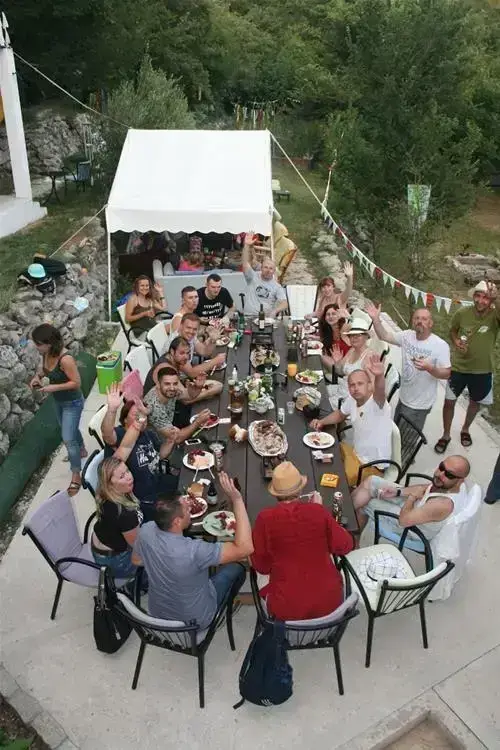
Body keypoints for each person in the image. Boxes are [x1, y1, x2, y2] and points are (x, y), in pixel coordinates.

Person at [132, 473, 252, 627]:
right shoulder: (195, 551)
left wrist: (162, 563)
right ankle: (223, 611)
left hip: (158, 614)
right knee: (237, 568)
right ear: (177, 522)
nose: (190, 507)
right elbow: (245, 548)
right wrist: (237, 499)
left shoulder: (145, 530)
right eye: (187, 509)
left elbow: (136, 560)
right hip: (195, 622)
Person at [251, 462, 354, 620]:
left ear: (274, 493)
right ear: (300, 490)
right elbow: (346, 545)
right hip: (331, 608)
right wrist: (320, 511)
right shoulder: (318, 511)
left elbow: (262, 567)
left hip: (286, 616)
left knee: (257, 567)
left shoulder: (265, 518)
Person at [435, 280, 500, 452]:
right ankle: (446, 435)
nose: (480, 301)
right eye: (478, 296)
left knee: (475, 402)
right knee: (449, 402)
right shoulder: (462, 313)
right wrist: (456, 341)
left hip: (483, 370)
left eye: (486, 297)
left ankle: (465, 429)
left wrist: (497, 299)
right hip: (459, 368)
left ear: (491, 300)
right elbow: (453, 330)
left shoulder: (495, 316)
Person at [365, 304, 451, 432]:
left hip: (419, 405)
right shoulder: (407, 336)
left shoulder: (440, 345)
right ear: (413, 321)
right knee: (397, 433)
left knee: (406, 439)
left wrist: (429, 368)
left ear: (431, 323)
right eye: (417, 318)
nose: (420, 321)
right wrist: (376, 319)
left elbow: (447, 373)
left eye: (424, 319)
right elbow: (384, 336)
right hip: (404, 398)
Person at [101, 384, 179, 521]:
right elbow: (107, 435)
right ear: (125, 419)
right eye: (136, 415)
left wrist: (170, 441)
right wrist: (112, 410)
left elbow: (159, 456)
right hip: (145, 499)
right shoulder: (120, 436)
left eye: (142, 415)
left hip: (159, 482)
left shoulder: (148, 433)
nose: (141, 419)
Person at [310, 360, 393, 487]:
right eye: (352, 385)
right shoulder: (353, 400)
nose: (356, 388)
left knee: (336, 482)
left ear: (369, 385)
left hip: (371, 466)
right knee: (324, 452)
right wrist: (321, 422)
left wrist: (379, 376)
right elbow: (340, 414)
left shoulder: (377, 404)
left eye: (360, 384)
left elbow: (380, 392)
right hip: (355, 454)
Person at [352, 455, 470, 536]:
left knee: (368, 502)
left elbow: (404, 521)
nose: (440, 474)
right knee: (372, 481)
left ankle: (351, 540)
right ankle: (345, 512)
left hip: (413, 528)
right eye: (441, 467)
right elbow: (425, 488)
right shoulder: (448, 485)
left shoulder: (443, 504)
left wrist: (412, 497)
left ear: (460, 480)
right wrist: (398, 492)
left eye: (449, 474)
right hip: (416, 508)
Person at [30, 324, 86, 496]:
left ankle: (76, 474)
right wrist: (37, 377)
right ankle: (82, 450)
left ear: (48, 343)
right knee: (70, 429)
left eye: (38, 344)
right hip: (59, 401)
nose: (36, 347)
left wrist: (53, 388)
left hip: (73, 402)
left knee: (68, 438)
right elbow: (43, 370)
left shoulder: (65, 359)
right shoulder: (46, 353)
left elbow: (76, 383)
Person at [91, 457, 142, 578]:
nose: (129, 477)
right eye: (122, 476)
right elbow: (138, 547)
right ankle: (132, 583)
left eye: (127, 471)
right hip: (115, 560)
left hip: (103, 543)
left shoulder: (106, 493)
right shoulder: (125, 514)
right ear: (110, 485)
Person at [143, 337, 222, 404]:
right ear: (172, 351)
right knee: (217, 387)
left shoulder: (171, 358)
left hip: (170, 399)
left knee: (216, 385)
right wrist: (206, 392)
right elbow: (186, 398)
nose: (186, 357)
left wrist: (198, 386)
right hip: (158, 409)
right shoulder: (166, 368)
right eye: (182, 353)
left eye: (187, 353)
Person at [144, 366, 211, 443]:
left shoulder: (169, 391)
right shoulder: (154, 407)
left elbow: (189, 396)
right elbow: (176, 438)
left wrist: (198, 387)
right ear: (158, 384)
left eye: (175, 383)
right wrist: (197, 422)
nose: (172, 388)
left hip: (171, 429)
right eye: (167, 384)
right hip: (161, 443)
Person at [241, 233, 288, 317]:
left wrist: (275, 311)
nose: (268, 270)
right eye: (265, 267)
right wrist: (246, 246)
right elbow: (245, 263)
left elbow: (285, 303)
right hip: (249, 316)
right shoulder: (253, 277)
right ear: (261, 268)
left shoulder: (276, 286)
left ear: (274, 271)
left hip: (265, 318)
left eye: (271, 268)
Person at [330, 315, 373, 399]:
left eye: (358, 335)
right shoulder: (352, 350)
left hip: (349, 399)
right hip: (340, 389)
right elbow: (340, 372)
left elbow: (372, 389)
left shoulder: (369, 357)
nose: (354, 338)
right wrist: (337, 362)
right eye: (352, 335)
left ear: (366, 337)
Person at [175, 313, 226, 378]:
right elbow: (191, 373)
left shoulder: (190, 336)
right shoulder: (177, 343)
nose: (191, 331)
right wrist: (216, 361)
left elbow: (204, 352)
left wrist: (213, 340)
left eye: (194, 329)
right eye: (188, 328)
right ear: (181, 326)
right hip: (178, 380)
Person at [318, 304, 351, 375]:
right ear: (325, 318)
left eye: (334, 314)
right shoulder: (328, 331)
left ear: (339, 316)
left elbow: (360, 328)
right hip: (336, 362)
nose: (331, 316)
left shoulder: (344, 327)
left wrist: (350, 318)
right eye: (328, 314)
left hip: (347, 365)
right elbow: (324, 341)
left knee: (321, 358)